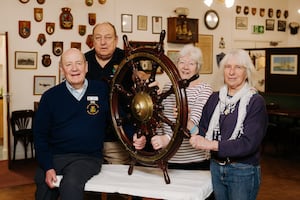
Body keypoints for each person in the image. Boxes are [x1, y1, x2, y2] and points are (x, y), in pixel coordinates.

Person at [189, 49, 268, 200]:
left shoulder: (255, 101)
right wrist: (188, 124)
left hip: (242, 171)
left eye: (238, 67)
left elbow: (248, 143)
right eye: (227, 67)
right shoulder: (215, 98)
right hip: (216, 167)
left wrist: (211, 145)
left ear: (247, 72)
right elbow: (203, 131)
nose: (232, 72)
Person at [33, 48, 109, 200]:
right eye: (68, 64)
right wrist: (48, 167)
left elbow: (118, 118)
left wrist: (133, 136)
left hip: (88, 157)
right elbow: (40, 136)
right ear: (62, 69)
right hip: (57, 156)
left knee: (70, 184)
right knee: (43, 181)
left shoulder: (101, 90)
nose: (74, 69)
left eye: (78, 63)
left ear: (86, 67)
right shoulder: (50, 97)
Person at [133, 44, 213, 170]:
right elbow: (160, 120)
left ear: (198, 67)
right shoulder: (168, 87)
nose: (186, 67)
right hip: (168, 157)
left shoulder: (204, 89)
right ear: (176, 64)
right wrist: (145, 134)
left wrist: (168, 139)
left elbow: (194, 122)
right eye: (182, 62)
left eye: (191, 63)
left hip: (194, 160)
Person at [85, 22, 131, 164]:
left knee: (117, 181)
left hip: (117, 140)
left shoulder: (128, 60)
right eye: (98, 38)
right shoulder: (83, 61)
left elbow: (141, 84)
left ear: (116, 40)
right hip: (88, 139)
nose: (103, 42)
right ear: (92, 40)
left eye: (108, 37)